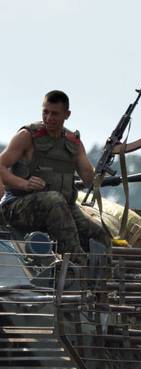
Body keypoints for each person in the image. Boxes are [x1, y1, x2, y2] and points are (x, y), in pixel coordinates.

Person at [0, 90, 109, 254]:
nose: (49, 118)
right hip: (17, 206)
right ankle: (75, 264)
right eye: (45, 112)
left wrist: (108, 159)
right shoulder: (27, 136)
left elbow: (89, 179)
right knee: (55, 200)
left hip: (61, 207)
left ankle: (101, 276)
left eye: (55, 113)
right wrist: (25, 184)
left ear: (67, 114)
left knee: (99, 236)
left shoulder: (73, 143)